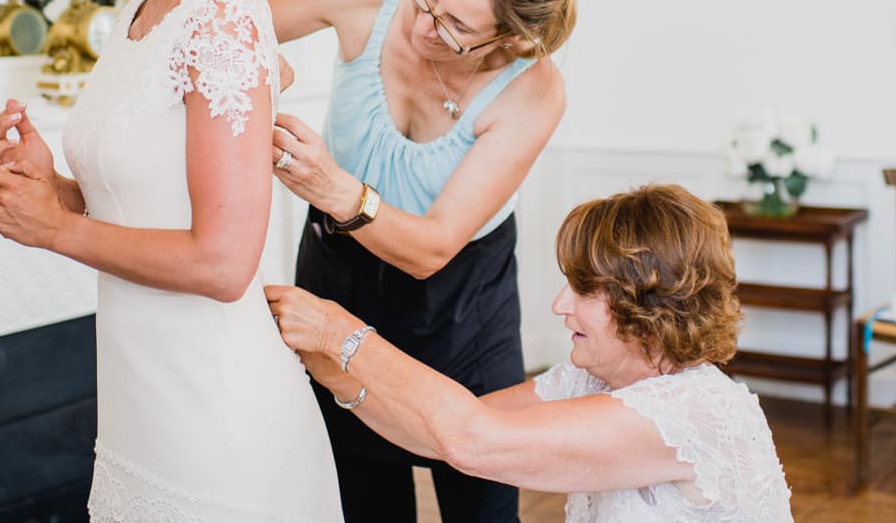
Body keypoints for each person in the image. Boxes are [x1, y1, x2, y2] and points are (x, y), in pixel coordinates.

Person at [0, 0, 342, 523]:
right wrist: (55, 186)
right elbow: (146, 202)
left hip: (217, 416)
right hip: (144, 408)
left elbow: (221, 260)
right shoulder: (137, 19)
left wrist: (57, 228)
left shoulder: (226, 22)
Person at [264, 0, 579, 523]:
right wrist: (252, 63)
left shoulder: (532, 89)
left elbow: (432, 248)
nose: (423, 24)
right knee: (361, 499)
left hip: (460, 303)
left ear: (511, 40)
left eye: (455, 25)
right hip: (340, 279)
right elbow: (219, 23)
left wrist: (332, 187)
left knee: (480, 501)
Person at [266, 184, 794, 523]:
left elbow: (473, 441)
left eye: (584, 291)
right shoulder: (590, 380)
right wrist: (334, 373)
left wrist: (342, 333)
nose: (559, 305)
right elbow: (440, 440)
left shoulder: (691, 411)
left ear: (648, 304)